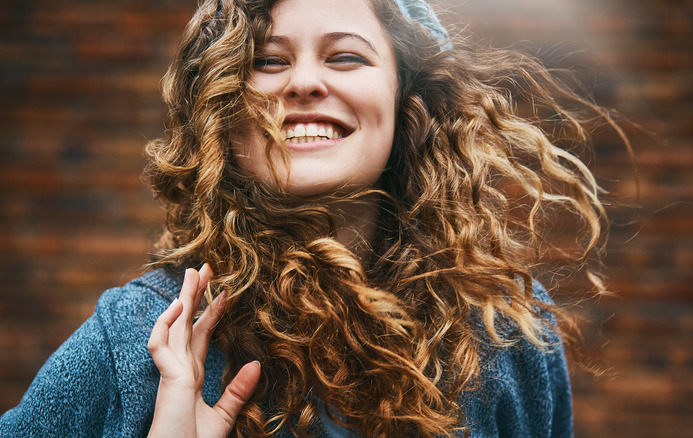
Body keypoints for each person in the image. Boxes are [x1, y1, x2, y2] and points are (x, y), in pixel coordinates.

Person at [0, 0, 625, 436]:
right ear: (226, 110)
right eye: (268, 61)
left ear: (410, 103)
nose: (302, 81)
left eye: (346, 57)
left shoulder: (510, 332)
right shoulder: (140, 341)